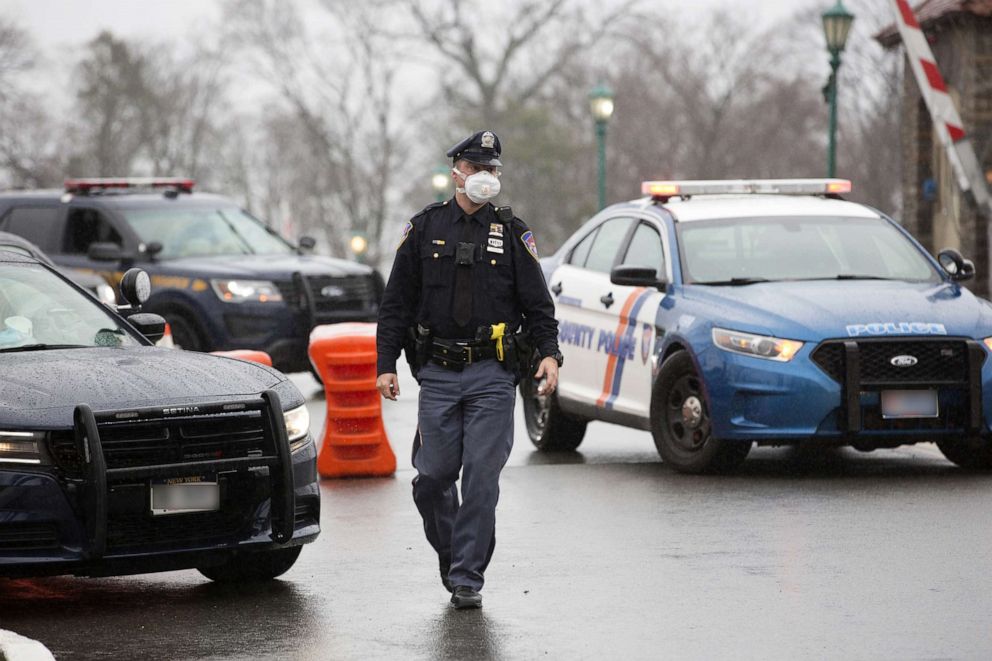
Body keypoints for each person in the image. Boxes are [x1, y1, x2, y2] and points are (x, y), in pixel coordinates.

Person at [375, 130, 562, 609]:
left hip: (493, 375)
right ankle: (455, 553)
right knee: (432, 477)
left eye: (493, 170)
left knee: (481, 476)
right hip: (437, 372)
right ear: (456, 171)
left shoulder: (512, 232)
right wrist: (385, 364)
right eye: (478, 168)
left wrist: (548, 353)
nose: (486, 177)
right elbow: (395, 304)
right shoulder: (424, 228)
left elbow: (539, 305)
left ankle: (467, 578)